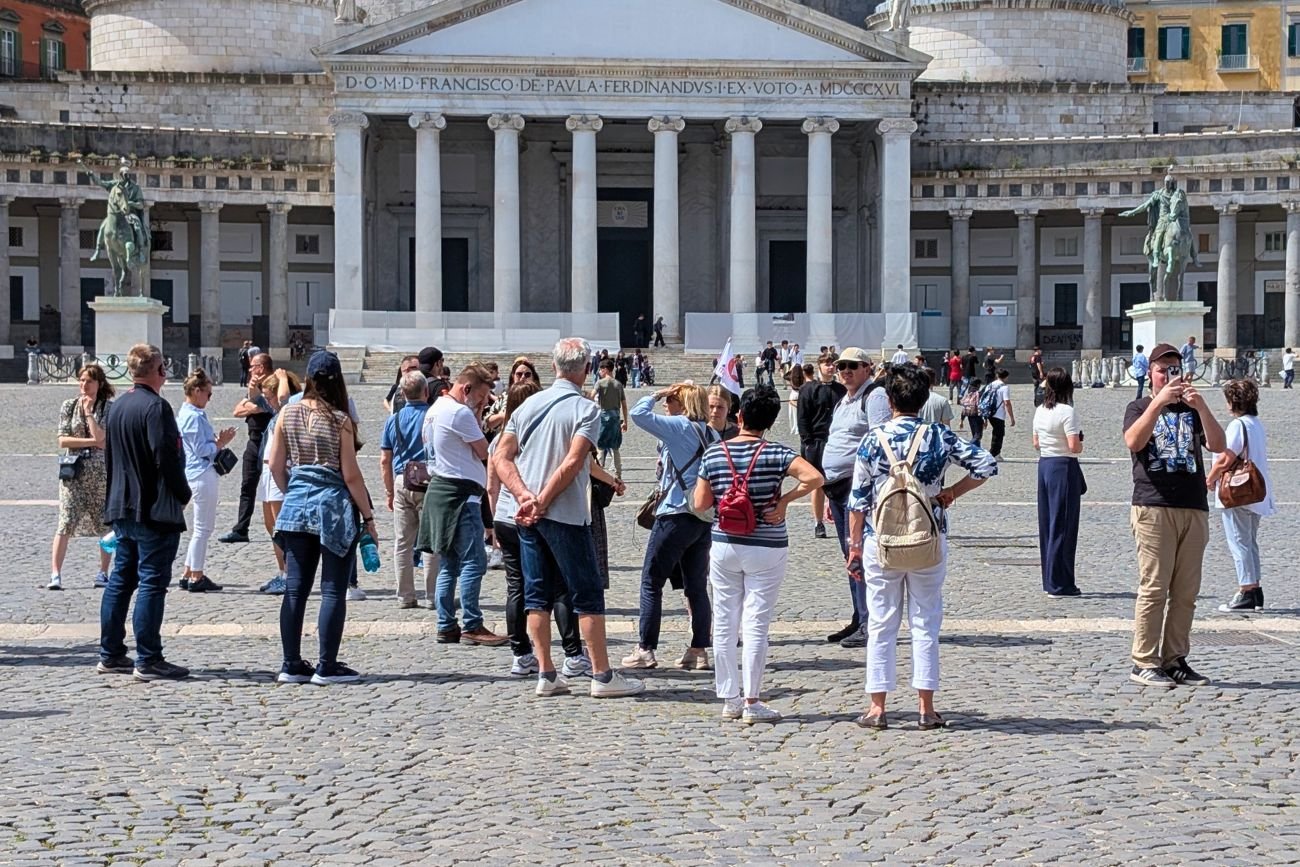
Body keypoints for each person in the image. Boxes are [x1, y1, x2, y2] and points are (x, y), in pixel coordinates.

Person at [492, 337, 646, 698]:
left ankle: (546, 672)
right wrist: (542, 499)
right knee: (587, 593)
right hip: (565, 515)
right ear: (587, 369)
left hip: (527, 516)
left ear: (554, 367)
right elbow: (575, 461)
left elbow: (501, 457)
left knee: (537, 595)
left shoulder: (527, 406)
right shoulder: (585, 409)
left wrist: (523, 496)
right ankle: (603, 676)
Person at [846, 364, 997, 730]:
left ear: (891, 400)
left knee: (881, 622)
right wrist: (949, 494)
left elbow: (858, 500)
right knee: (925, 621)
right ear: (924, 397)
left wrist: (853, 547)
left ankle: (877, 707)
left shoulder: (873, 439)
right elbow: (985, 464)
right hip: (929, 535)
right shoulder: (939, 436)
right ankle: (926, 708)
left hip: (880, 539)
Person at [694, 386, 823, 724]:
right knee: (756, 621)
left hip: (724, 543)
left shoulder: (714, 453)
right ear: (771, 422)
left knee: (724, 621)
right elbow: (815, 477)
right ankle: (753, 700)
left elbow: (699, 504)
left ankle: (729, 698)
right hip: (767, 546)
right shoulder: (778, 453)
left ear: (739, 417)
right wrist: (783, 502)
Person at [267, 350, 376, 685]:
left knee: (296, 589)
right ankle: (326, 665)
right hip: (332, 506)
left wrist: (295, 488)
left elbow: (273, 464)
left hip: (297, 506)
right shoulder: (340, 418)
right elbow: (351, 475)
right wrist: (368, 516)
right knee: (332, 589)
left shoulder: (288, 413)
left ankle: (290, 663)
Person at [1123, 342, 1225, 688]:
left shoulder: (1193, 410)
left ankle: (1175, 658)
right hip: (1154, 505)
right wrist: (1159, 402)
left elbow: (1219, 444)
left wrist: (1203, 406)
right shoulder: (1138, 406)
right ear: (1149, 373)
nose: (1169, 375)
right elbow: (1134, 443)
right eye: (1163, 369)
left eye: (1174, 369)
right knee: (1154, 587)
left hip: (1194, 505)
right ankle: (1144, 661)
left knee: (1186, 591)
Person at [488, 380, 595, 678]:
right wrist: (534, 500)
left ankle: (523, 655)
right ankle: (573, 654)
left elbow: (492, 482)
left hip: (509, 515)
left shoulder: (501, 438)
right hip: (536, 514)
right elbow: (572, 463)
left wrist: (496, 517)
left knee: (519, 588)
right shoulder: (553, 426)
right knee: (560, 588)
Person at [98, 344, 192, 681]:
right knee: (152, 582)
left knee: (120, 581)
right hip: (152, 507)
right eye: (163, 367)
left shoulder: (117, 406)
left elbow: (111, 456)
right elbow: (163, 455)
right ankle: (148, 658)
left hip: (122, 506)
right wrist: (184, 492)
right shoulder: (156, 407)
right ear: (157, 371)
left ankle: (110, 653)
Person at [626, 383, 719, 670]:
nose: (666, 402)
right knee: (696, 586)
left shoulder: (678, 426)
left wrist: (654, 393)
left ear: (684, 402)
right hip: (701, 517)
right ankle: (699, 649)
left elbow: (638, 415)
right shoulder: (711, 432)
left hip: (675, 513)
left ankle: (646, 648)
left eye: (671, 398)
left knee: (651, 581)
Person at [417, 364, 507, 646]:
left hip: (441, 489)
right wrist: (477, 414)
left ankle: (446, 624)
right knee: (473, 561)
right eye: (480, 398)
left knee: (450, 563)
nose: (482, 404)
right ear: (466, 389)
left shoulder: (435, 409)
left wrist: (477, 410)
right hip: (460, 495)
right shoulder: (459, 412)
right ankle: (472, 624)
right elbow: (485, 451)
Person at [819, 348, 878, 647]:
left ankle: (868, 622)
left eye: (853, 366)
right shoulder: (844, 399)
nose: (845, 370)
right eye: (841, 366)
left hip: (857, 490)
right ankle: (859, 616)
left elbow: (881, 441)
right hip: (838, 490)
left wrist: (863, 492)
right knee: (850, 557)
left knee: (860, 556)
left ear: (868, 368)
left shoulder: (874, 397)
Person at [1206, 379, 1274, 613]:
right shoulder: (1256, 423)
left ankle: (1246, 590)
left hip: (1238, 491)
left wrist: (1211, 476)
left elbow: (1226, 457)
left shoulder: (1237, 425)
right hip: (1255, 492)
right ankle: (1255, 589)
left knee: (1239, 542)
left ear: (1233, 401)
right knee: (1250, 541)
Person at [50, 363, 115, 591]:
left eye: (89, 381)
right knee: (66, 521)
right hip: (73, 473)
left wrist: (88, 414)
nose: (84, 385)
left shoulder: (108, 407)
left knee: (104, 524)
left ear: (99, 384)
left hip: (100, 474)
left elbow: (103, 437)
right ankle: (55, 574)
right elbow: (63, 440)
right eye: (81, 380)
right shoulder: (68, 406)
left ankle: (103, 572)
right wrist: (91, 442)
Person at [178, 369, 236, 594]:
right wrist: (220, 443)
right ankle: (197, 575)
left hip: (198, 472)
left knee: (200, 528)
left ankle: (188, 571)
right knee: (203, 528)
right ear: (196, 391)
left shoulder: (191, 413)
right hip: (201, 473)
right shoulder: (192, 416)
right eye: (208, 394)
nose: (209, 399)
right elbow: (201, 450)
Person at [380, 370, 435, 610]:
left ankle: (405, 595)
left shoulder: (394, 420)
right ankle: (433, 595)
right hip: (430, 481)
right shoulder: (433, 417)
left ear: (402, 393)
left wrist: (389, 491)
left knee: (403, 541)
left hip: (403, 480)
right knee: (431, 540)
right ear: (426, 391)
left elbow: (385, 459)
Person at [1032, 368, 1085, 598]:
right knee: (1063, 524)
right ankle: (1061, 583)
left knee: (1048, 524)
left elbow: (1035, 443)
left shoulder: (1040, 410)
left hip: (1045, 465)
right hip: (1064, 467)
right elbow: (1074, 447)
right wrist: (1081, 441)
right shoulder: (1067, 411)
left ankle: (1049, 580)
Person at [253, 370, 299, 595]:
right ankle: (282, 571)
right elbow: (254, 397)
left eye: (269, 396)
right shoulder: (274, 415)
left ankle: (290, 573)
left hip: (279, 469)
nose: (268, 401)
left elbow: (284, 400)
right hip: (266, 471)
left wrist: (282, 380)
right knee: (270, 525)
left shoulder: (287, 409)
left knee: (281, 526)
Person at [219, 352, 273, 543]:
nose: (249, 369)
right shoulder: (253, 388)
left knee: (275, 488)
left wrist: (254, 404)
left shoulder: (273, 386)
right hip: (253, 442)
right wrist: (253, 405)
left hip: (270, 443)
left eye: (253, 366)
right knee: (247, 486)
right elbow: (237, 411)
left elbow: (268, 406)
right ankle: (241, 529)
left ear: (261, 368)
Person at [797, 353, 846, 540]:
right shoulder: (808, 389)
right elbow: (803, 417)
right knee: (818, 483)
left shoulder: (841, 389)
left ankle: (840, 516)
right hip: (816, 442)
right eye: (826, 364)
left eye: (833, 364)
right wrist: (807, 442)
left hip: (837, 440)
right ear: (819, 366)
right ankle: (818, 522)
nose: (830, 367)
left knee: (840, 481)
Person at [484, 357, 540, 436]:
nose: (523, 377)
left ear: (533, 377)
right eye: (519, 374)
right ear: (513, 376)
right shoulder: (504, 397)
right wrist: (503, 416)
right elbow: (487, 423)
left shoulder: (540, 397)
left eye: (527, 374)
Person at [593, 359, 628, 478]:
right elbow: (624, 404)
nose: (599, 372)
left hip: (603, 417)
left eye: (600, 370)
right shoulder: (618, 384)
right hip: (616, 418)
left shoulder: (600, 383)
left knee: (600, 447)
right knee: (615, 448)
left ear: (605, 370)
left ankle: (599, 472)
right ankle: (618, 474)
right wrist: (625, 422)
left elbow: (592, 396)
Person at [987, 368, 1014, 458]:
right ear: (1006, 377)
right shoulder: (1004, 387)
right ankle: (994, 453)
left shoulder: (990, 385)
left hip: (990, 412)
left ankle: (995, 453)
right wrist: (1012, 417)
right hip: (999, 414)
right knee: (999, 434)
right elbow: (1007, 403)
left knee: (996, 433)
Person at [786, 364, 805, 435]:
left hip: (793, 394)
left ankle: (794, 427)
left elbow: (785, 376)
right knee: (800, 413)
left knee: (793, 413)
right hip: (800, 394)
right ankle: (799, 427)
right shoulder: (803, 377)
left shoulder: (791, 377)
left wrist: (790, 370)